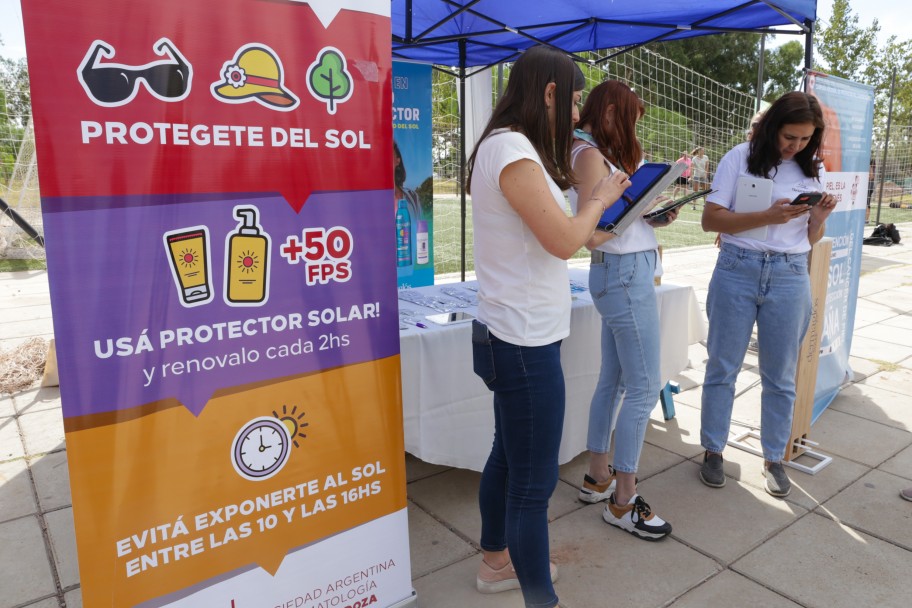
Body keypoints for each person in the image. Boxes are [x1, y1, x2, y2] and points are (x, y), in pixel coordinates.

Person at [466, 45, 630, 607]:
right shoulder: (512, 148)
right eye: (577, 97)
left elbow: (560, 233)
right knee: (531, 489)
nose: (579, 110)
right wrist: (600, 196)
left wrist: (600, 221)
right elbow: (562, 239)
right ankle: (541, 598)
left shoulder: (509, 146)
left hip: (509, 331)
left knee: (507, 458)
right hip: (522, 340)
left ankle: (496, 562)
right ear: (551, 92)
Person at [698, 92, 836, 498]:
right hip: (738, 268)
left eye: (805, 139)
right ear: (773, 125)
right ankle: (712, 450)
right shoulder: (738, 157)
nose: (796, 146)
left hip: (791, 274)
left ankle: (775, 458)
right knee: (722, 366)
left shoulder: (813, 168)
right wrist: (769, 216)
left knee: (780, 376)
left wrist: (818, 220)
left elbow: (811, 238)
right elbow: (710, 220)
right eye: (790, 136)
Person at [568, 80, 676, 541]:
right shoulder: (588, 152)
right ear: (611, 110)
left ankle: (598, 475)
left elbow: (611, 218)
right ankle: (624, 500)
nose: (634, 124)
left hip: (621, 270)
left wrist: (647, 211)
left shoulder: (590, 150)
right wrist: (636, 213)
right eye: (631, 115)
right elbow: (597, 227)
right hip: (622, 272)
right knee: (643, 386)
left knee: (614, 381)